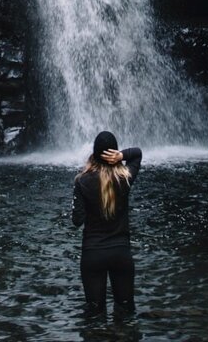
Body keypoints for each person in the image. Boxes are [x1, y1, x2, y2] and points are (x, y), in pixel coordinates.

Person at [71, 130, 143, 312]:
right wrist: (122, 156)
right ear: (114, 155)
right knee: (126, 311)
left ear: (94, 154)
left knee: (94, 314)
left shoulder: (82, 181)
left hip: (93, 254)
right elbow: (137, 154)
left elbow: (77, 220)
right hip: (121, 253)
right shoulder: (125, 178)